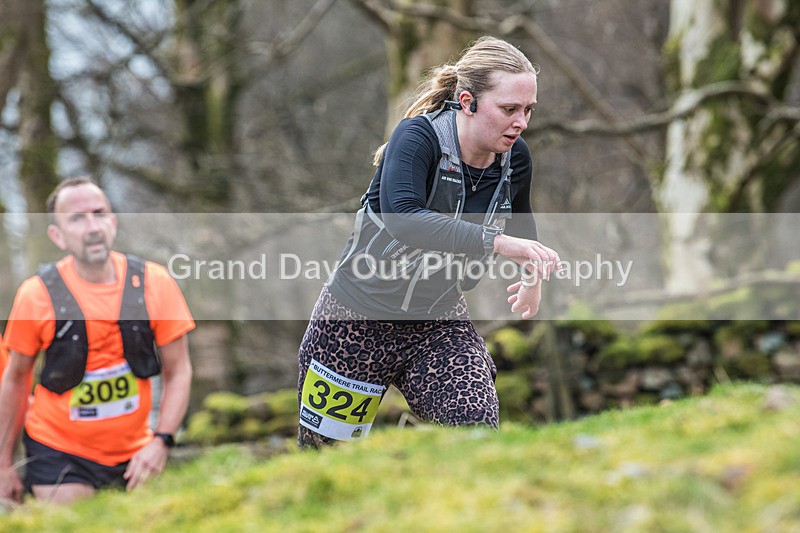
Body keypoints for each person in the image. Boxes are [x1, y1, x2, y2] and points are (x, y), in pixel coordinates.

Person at [297, 36, 560, 448]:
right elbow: (406, 220)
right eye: (509, 109)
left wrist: (533, 276)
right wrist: (497, 243)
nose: (521, 122)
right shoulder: (417, 138)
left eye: (528, 110)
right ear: (468, 101)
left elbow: (521, 227)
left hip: (438, 325)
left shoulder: (516, 157)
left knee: (476, 439)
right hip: (355, 321)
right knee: (327, 464)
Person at [0, 177, 195, 505]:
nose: (92, 226)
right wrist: (4, 463)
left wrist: (161, 441)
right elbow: (16, 379)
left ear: (113, 223)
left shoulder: (155, 283)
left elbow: (179, 370)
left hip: (136, 450)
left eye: (99, 213)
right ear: (57, 235)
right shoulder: (36, 295)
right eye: (77, 218)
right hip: (58, 449)